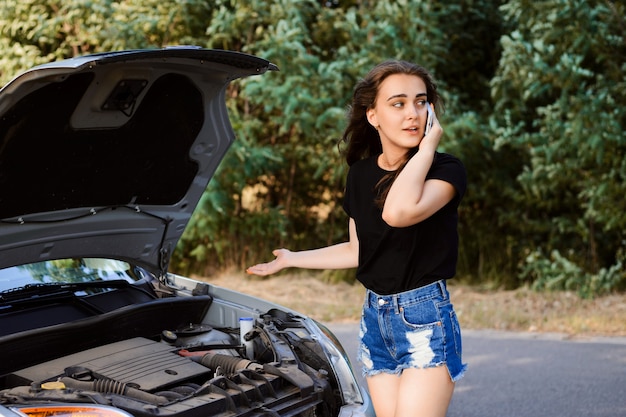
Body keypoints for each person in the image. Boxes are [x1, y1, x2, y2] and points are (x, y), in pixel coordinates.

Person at [247, 60, 467, 417]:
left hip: (425, 318)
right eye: (398, 103)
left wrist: (426, 150)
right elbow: (357, 250)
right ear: (373, 115)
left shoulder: (445, 170)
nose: (413, 113)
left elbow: (397, 212)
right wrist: (292, 258)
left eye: (421, 101)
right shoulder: (361, 174)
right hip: (375, 320)